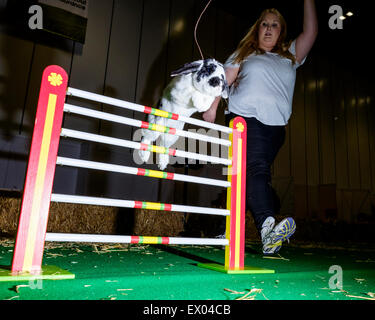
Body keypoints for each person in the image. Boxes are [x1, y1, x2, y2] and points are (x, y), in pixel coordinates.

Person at [203, 0, 318, 255]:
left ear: (281, 32)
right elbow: (224, 79)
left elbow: (311, 32)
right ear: (257, 29)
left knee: (244, 178)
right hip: (243, 117)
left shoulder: (290, 56)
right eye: (264, 24)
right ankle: (267, 227)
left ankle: (227, 229)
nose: (268, 28)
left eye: (274, 25)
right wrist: (212, 108)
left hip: (276, 129)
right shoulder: (244, 53)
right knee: (257, 169)